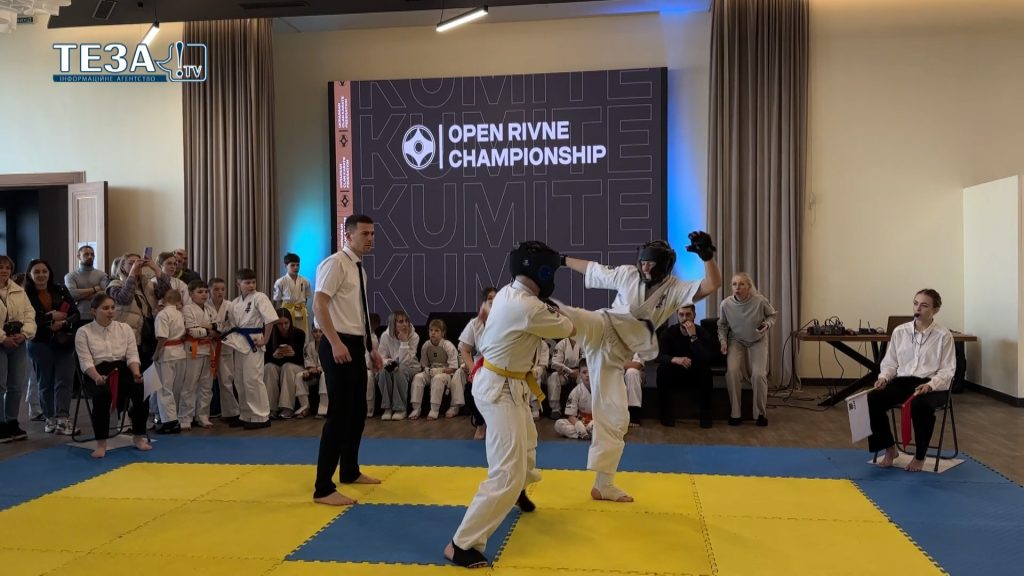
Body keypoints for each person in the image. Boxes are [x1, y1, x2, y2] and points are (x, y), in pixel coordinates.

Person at [560, 232, 721, 502]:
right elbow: (592, 269)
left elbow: (712, 284)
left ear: (664, 266)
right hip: (603, 328)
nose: (645, 268)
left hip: (616, 354)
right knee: (570, 319)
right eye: (643, 262)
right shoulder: (627, 274)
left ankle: (603, 484)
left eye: (651, 264)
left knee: (617, 418)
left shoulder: (675, 289)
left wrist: (707, 258)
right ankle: (536, 312)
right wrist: (561, 260)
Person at [445, 241, 576, 569]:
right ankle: (461, 544)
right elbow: (569, 328)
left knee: (528, 442)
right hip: (498, 389)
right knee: (507, 471)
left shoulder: (508, 291)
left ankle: (519, 489)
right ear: (542, 273)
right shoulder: (528, 307)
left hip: (508, 383)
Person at [312, 214, 384, 506]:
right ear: (348, 235)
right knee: (339, 414)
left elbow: (360, 314)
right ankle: (323, 488)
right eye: (365, 234)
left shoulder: (359, 270)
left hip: (355, 343)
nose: (370, 239)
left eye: (373, 234)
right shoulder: (335, 264)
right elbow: (319, 304)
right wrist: (335, 342)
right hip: (337, 343)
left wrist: (371, 347)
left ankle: (350, 470)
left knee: (357, 412)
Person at [867, 289, 955, 473]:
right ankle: (890, 448)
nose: (918, 308)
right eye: (915, 303)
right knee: (873, 398)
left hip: (932, 385)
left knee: (920, 405)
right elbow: (890, 363)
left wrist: (930, 385)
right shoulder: (900, 331)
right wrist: (883, 378)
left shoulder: (944, 335)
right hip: (903, 382)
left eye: (924, 305)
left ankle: (920, 456)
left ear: (935, 310)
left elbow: (948, 371)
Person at [74, 294, 151, 458]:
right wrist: (97, 377)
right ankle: (101, 443)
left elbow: (132, 355)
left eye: (112, 308)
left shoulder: (125, 328)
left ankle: (138, 436)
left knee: (141, 390)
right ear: (93, 311)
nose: (110, 311)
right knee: (102, 395)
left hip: (122, 369)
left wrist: (136, 373)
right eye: (105, 308)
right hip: (96, 371)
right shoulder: (83, 332)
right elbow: (85, 361)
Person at [25, 259, 80, 436]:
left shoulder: (61, 289)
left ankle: (63, 419)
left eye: (44, 271)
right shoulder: (24, 294)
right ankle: (50, 418)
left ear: (49, 273)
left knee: (64, 381)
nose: (41, 275)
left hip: (64, 341)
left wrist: (63, 322)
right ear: (30, 274)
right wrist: (50, 318)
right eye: (37, 272)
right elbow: (27, 319)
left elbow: (75, 313)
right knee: (45, 382)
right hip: (39, 342)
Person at [717, 272, 776, 426]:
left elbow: (772, 316)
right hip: (736, 340)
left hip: (757, 339)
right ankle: (735, 413)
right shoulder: (725, 304)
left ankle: (760, 414)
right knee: (732, 372)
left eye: (741, 284)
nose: (737, 287)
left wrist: (767, 324)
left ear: (749, 287)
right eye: (734, 284)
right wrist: (723, 342)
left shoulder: (760, 301)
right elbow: (722, 326)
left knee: (758, 375)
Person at [223, 268, 278, 430]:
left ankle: (261, 416)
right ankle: (246, 415)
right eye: (247, 283)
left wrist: (265, 339)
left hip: (254, 341)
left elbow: (270, 320)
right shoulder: (235, 302)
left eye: (253, 282)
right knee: (240, 380)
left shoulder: (260, 297)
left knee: (253, 379)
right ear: (238, 284)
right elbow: (231, 324)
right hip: (239, 342)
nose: (251, 285)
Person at [656, 305, 717, 428]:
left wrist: (693, 337)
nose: (684, 318)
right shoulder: (669, 332)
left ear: (694, 315)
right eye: (681, 315)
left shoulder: (702, 332)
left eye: (688, 314)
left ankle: (705, 416)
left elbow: (707, 357)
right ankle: (666, 415)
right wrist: (675, 359)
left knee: (706, 371)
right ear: (677, 316)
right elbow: (659, 356)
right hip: (675, 371)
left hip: (695, 372)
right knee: (662, 370)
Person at [0, 255, 37, 443]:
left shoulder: (19, 291)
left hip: (18, 342)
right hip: (1, 342)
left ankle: (12, 421)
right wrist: (3, 338)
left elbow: (30, 314)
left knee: (16, 384)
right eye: (0, 267)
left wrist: (24, 334)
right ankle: (0, 423)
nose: (4, 270)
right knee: (0, 385)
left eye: (7, 268)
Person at [458, 288, 496, 440]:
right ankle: (480, 424)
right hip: (481, 366)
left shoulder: (505, 321)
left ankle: (495, 425)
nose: (492, 301)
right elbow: (465, 350)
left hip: (500, 367)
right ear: (484, 302)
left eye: (495, 298)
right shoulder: (475, 323)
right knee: (470, 390)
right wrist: (473, 370)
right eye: (489, 298)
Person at [410, 318, 460, 420]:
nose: (433, 333)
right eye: (431, 330)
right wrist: (427, 370)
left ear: (443, 333)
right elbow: (423, 364)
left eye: (436, 330)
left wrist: (440, 371)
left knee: (438, 378)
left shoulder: (448, 345)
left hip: (446, 374)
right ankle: (416, 409)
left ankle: (434, 410)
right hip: (431, 371)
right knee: (418, 377)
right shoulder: (426, 346)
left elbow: (454, 367)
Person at [152, 289, 187, 433]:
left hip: (167, 353)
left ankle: (169, 421)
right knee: (176, 388)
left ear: (164, 300)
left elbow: (162, 337)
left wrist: (156, 354)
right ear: (179, 301)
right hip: (180, 352)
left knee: (164, 388)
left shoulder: (163, 314)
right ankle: (174, 418)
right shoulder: (179, 314)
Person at [182, 280, 216, 428]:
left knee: (206, 386)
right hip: (192, 350)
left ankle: (202, 416)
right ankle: (185, 418)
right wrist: (208, 330)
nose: (204, 295)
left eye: (206, 292)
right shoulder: (187, 309)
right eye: (200, 292)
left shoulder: (209, 309)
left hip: (208, 350)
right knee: (189, 385)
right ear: (191, 293)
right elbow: (192, 331)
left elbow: (219, 327)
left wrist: (206, 329)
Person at [376, 309, 420, 421]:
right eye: (401, 321)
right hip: (393, 365)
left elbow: (405, 362)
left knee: (399, 370)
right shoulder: (385, 336)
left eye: (406, 321)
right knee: (383, 371)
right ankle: (387, 408)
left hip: (411, 367)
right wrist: (388, 362)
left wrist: (404, 341)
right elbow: (381, 357)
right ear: (393, 324)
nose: (405, 324)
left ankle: (400, 409)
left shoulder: (414, 336)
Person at [206, 277, 239, 425]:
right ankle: (202, 414)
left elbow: (234, 325)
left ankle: (231, 413)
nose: (220, 292)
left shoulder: (230, 305)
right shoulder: (205, 306)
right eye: (216, 289)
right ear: (209, 290)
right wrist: (211, 333)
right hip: (208, 347)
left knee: (226, 380)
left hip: (225, 346)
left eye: (222, 289)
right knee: (206, 382)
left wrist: (221, 332)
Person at [264, 308, 307, 419]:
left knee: (287, 367)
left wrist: (293, 354)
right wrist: (274, 356)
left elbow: (303, 359)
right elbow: (265, 359)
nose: (283, 326)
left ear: (290, 322)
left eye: (286, 323)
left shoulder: (299, 334)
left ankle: (287, 407)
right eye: (280, 324)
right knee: (268, 367)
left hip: (295, 366)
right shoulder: (270, 335)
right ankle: (271, 408)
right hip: (277, 364)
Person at [64, 245, 109, 329]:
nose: (90, 257)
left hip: (99, 316)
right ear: (79, 256)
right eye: (86, 254)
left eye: (92, 254)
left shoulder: (102, 275)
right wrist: (94, 289)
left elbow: (105, 294)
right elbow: (72, 294)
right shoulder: (70, 276)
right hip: (79, 316)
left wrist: (81, 295)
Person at [554, 360, 593, 440]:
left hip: (596, 422)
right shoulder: (576, 391)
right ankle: (584, 433)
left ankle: (587, 433)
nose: (588, 375)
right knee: (559, 424)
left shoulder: (601, 390)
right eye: (584, 372)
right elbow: (570, 415)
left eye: (590, 371)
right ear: (579, 374)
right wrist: (578, 425)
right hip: (582, 421)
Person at [273, 253, 311, 335]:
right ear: (286, 266)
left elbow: (306, 298)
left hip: (301, 313)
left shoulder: (305, 281)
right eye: (292, 265)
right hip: (287, 314)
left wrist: (301, 307)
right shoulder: (280, 282)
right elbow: (278, 300)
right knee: (288, 336)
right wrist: (281, 315)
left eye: (298, 265)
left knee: (302, 335)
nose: (296, 267)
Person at [546, 336, 582, 419]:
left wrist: (579, 371)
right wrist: (568, 371)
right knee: (554, 376)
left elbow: (586, 361)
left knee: (586, 378)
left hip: (579, 372)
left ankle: (581, 409)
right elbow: (555, 363)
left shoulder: (583, 342)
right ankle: (555, 409)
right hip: (565, 373)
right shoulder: (561, 344)